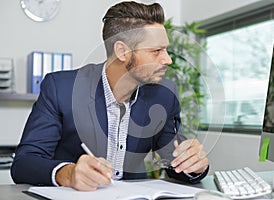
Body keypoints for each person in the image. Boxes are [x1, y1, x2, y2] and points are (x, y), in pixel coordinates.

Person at [11, 1, 209, 191]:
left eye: (166, 49)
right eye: (156, 51)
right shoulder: (61, 88)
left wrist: (194, 165)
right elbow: (25, 162)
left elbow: (175, 161)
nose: (168, 59)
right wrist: (68, 173)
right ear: (122, 52)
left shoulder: (163, 96)